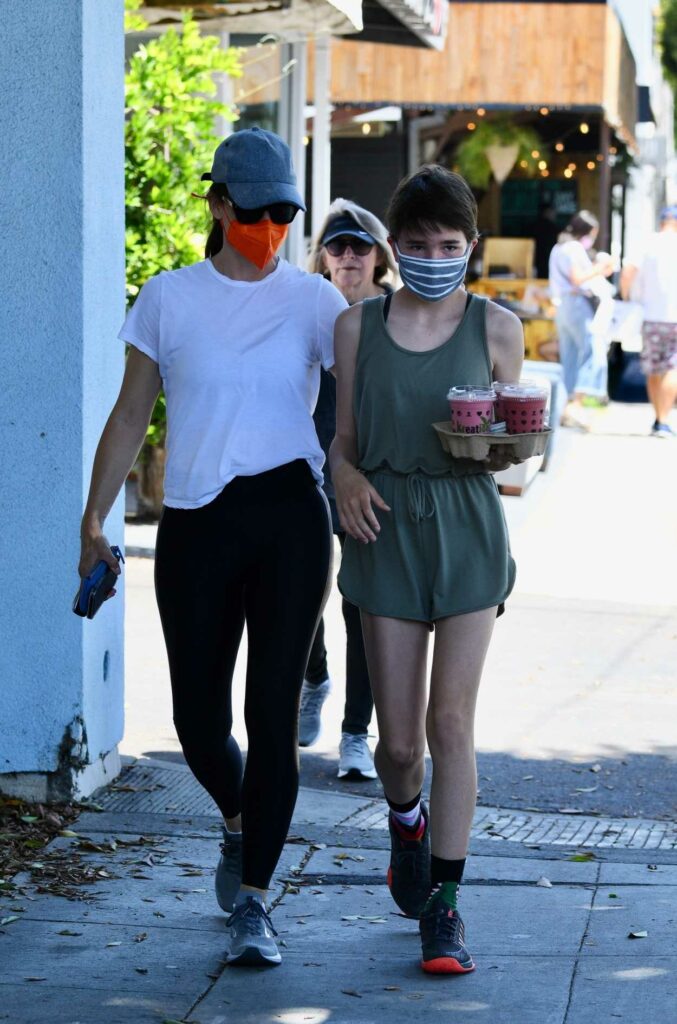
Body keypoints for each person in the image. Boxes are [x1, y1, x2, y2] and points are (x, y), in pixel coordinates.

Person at [77, 127, 346, 967]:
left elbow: (370, 393)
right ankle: (237, 821)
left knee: (270, 715)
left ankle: (258, 901)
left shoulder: (314, 301)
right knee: (198, 720)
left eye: (285, 213)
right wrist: (93, 517)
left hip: (289, 519)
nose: (271, 226)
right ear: (219, 206)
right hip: (196, 521)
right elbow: (130, 415)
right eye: (257, 211)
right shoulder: (169, 298)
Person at [330, 165, 523, 974]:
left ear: (470, 246)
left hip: (468, 528)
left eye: (449, 245)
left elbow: (514, 450)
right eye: (417, 245)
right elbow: (341, 438)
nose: (434, 256)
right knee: (400, 746)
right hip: (384, 530)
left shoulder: (498, 325)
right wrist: (339, 473)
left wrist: (510, 451)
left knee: (451, 725)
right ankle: (403, 821)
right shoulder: (357, 328)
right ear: (392, 249)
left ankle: (445, 906)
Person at [298, 199, 397, 780]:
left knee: (359, 601)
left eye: (360, 246)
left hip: (369, 471)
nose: (349, 255)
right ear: (322, 255)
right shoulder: (309, 307)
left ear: (378, 255)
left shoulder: (392, 314)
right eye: (337, 245)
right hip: (308, 464)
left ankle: (356, 733)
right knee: (300, 588)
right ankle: (314, 677)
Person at [548, 210, 615, 424]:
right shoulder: (574, 248)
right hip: (577, 303)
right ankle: (577, 404)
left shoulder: (558, 247)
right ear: (587, 231)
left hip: (562, 305)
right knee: (591, 350)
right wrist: (600, 268)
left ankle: (565, 405)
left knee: (569, 354)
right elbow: (578, 278)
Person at [620, 204, 677, 437]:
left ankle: (658, 419)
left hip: (650, 316)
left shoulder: (648, 242)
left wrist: (627, 296)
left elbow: (628, 272)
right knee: (672, 368)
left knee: (653, 369)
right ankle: (664, 421)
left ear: (662, 221)